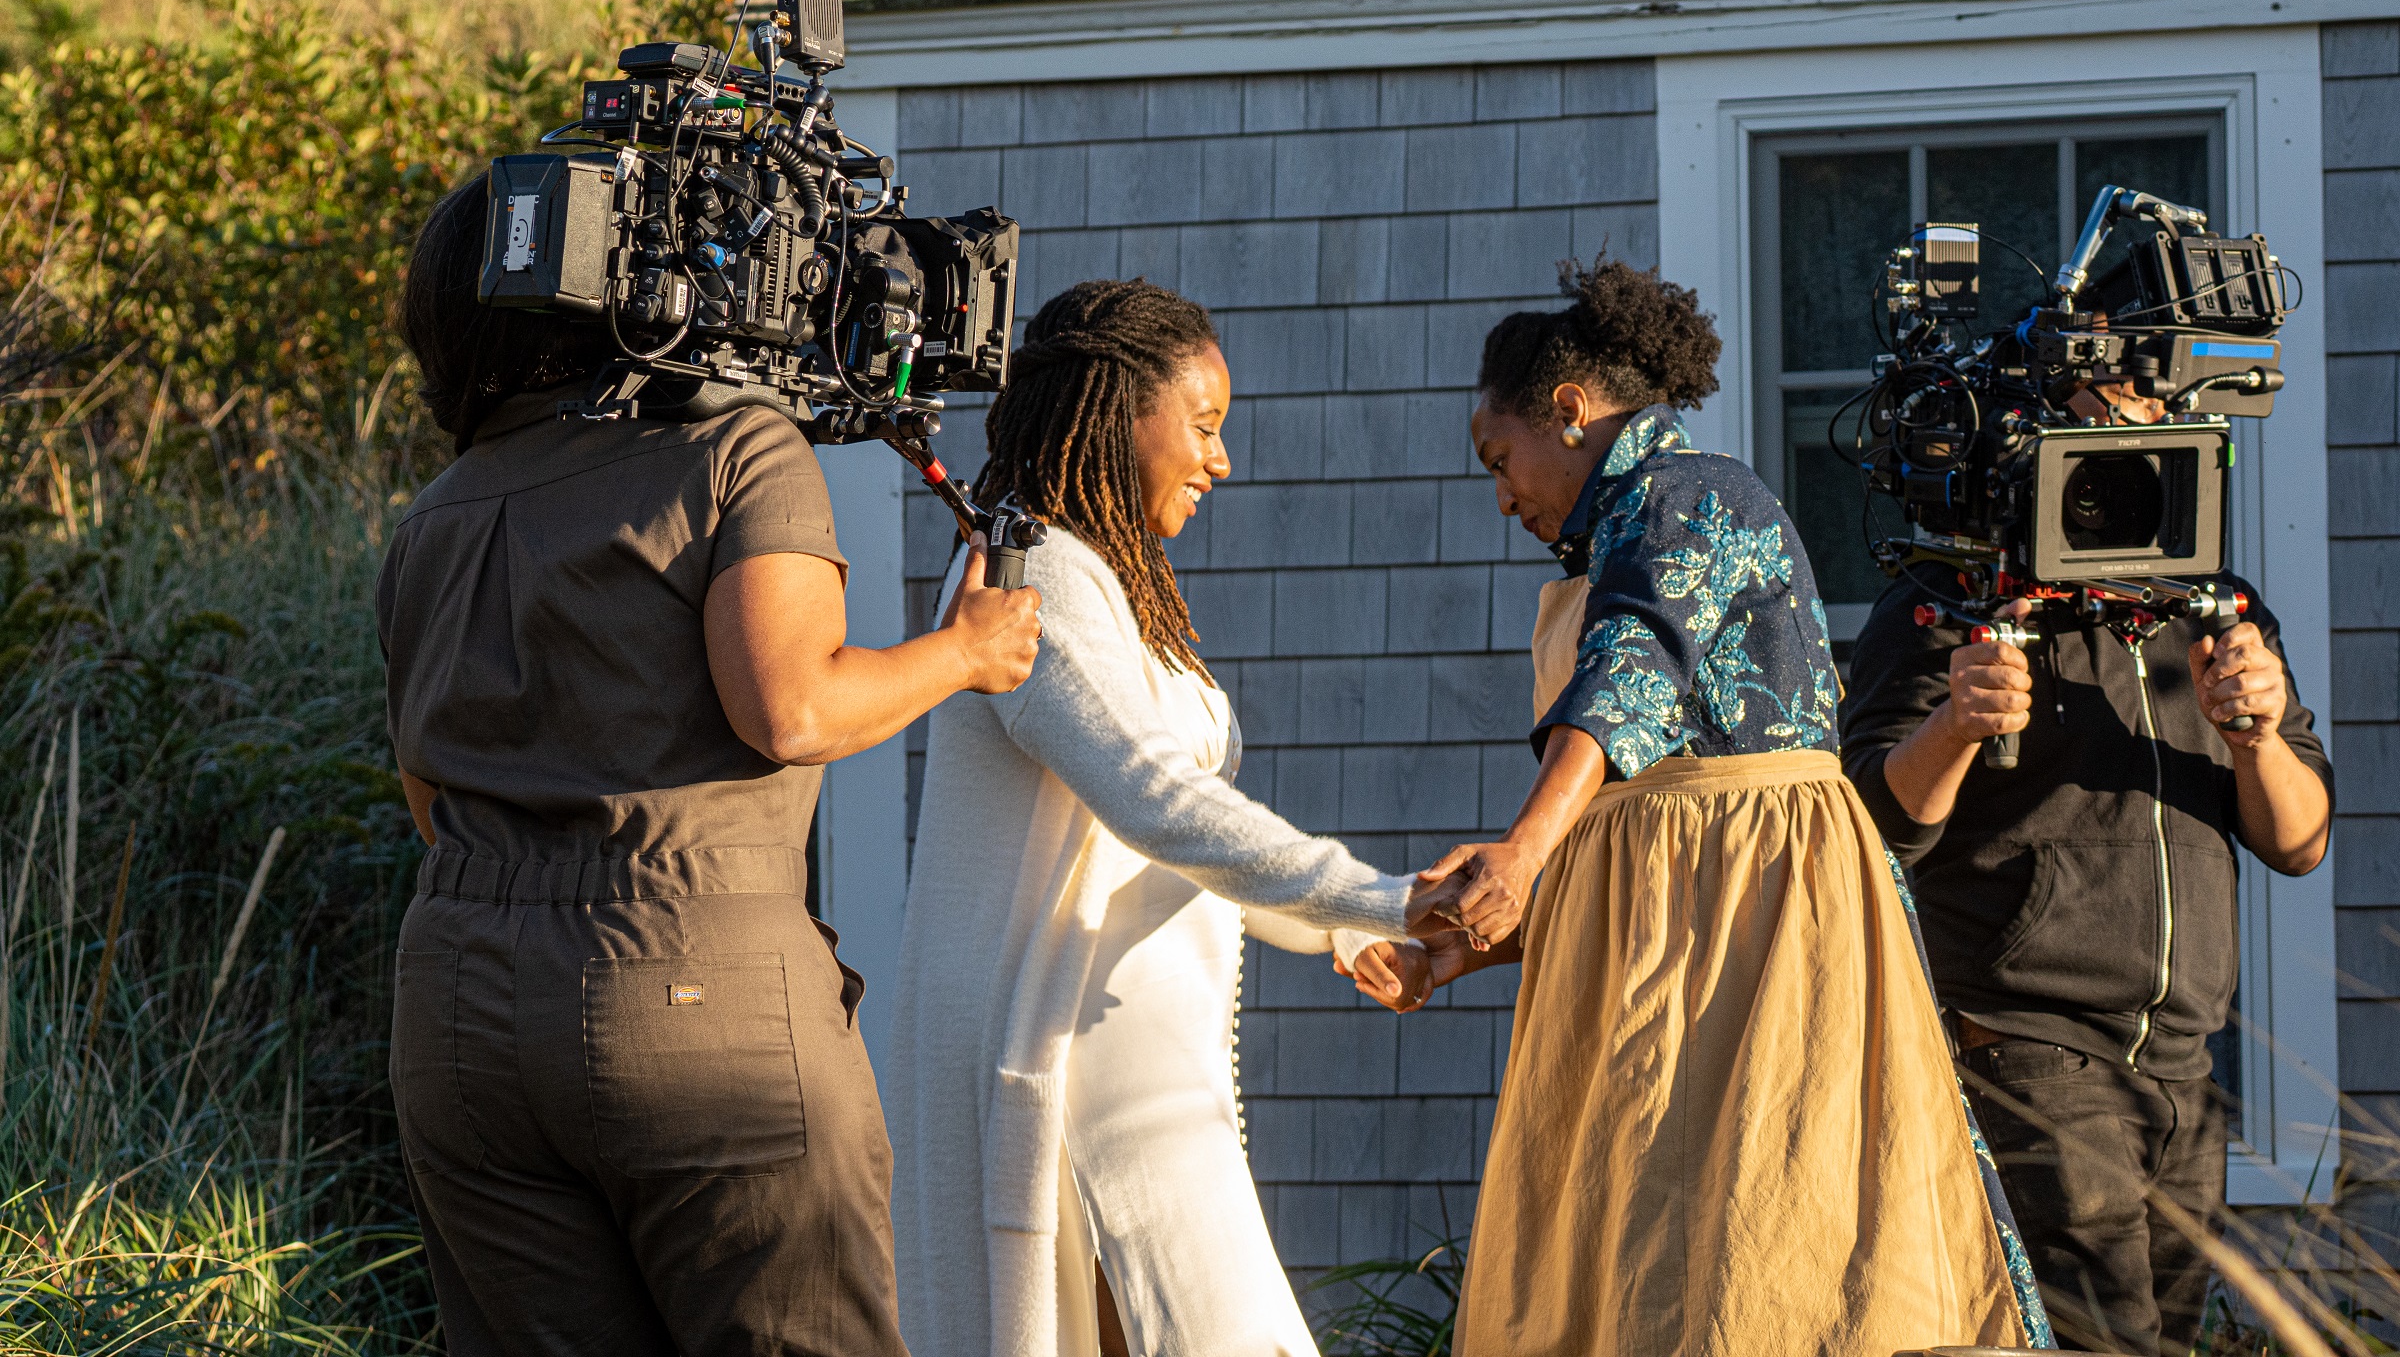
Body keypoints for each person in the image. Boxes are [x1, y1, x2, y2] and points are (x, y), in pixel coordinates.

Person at [376, 176, 1042, 1355]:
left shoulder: (433, 515)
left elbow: (429, 797)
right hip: (687, 983)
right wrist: (965, 651)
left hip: (456, 1014)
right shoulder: (736, 453)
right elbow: (788, 707)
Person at [1341, 259, 2048, 1357]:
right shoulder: (1611, 547)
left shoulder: (1695, 497)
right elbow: (1623, 849)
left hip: (1758, 947)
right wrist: (1458, 951)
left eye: (1500, 457)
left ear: (1569, 412)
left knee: (1759, 1276)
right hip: (1664, 960)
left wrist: (1524, 847)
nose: (1501, 494)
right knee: (1644, 1284)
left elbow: (1635, 664)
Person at [886, 278, 1480, 1357]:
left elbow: (1166, 845)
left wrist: (1351, 929)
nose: (1222, 460)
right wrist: (1381, 895)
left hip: (1138, 1062)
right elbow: (1154, 799)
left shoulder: (1100, 577)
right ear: (1118, 415)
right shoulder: (1039, 577)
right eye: (1203, 426)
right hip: (1073, 1071)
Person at [1840, 372, 2333, 1357]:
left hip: (2185, 1061)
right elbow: (1872, 827)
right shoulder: (1952, 593)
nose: (2125, 445)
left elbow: (2301, 840)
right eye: (2096, 421)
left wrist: (2258, 735)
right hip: (2032, 1040)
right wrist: (1956, 723)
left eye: (2150, 420)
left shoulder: (2216, 608)